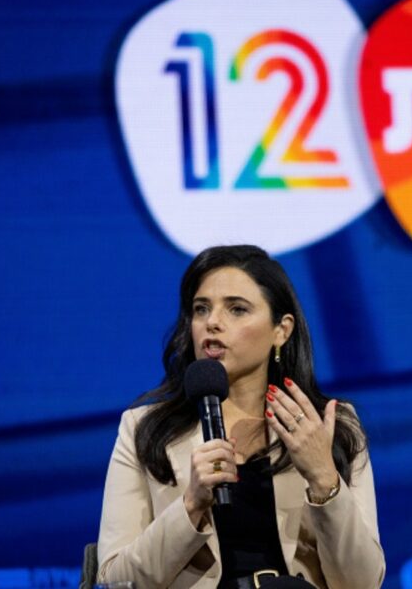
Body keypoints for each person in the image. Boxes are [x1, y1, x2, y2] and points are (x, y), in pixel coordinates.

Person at [97, 245, 385, 589]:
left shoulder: (333, 427)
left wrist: (324, 478)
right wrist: (190, 507)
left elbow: (363, 583)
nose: (212, 323)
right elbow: (115, 581)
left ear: (281, 330)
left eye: (237, 309)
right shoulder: (144, 429)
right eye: (201, 309)